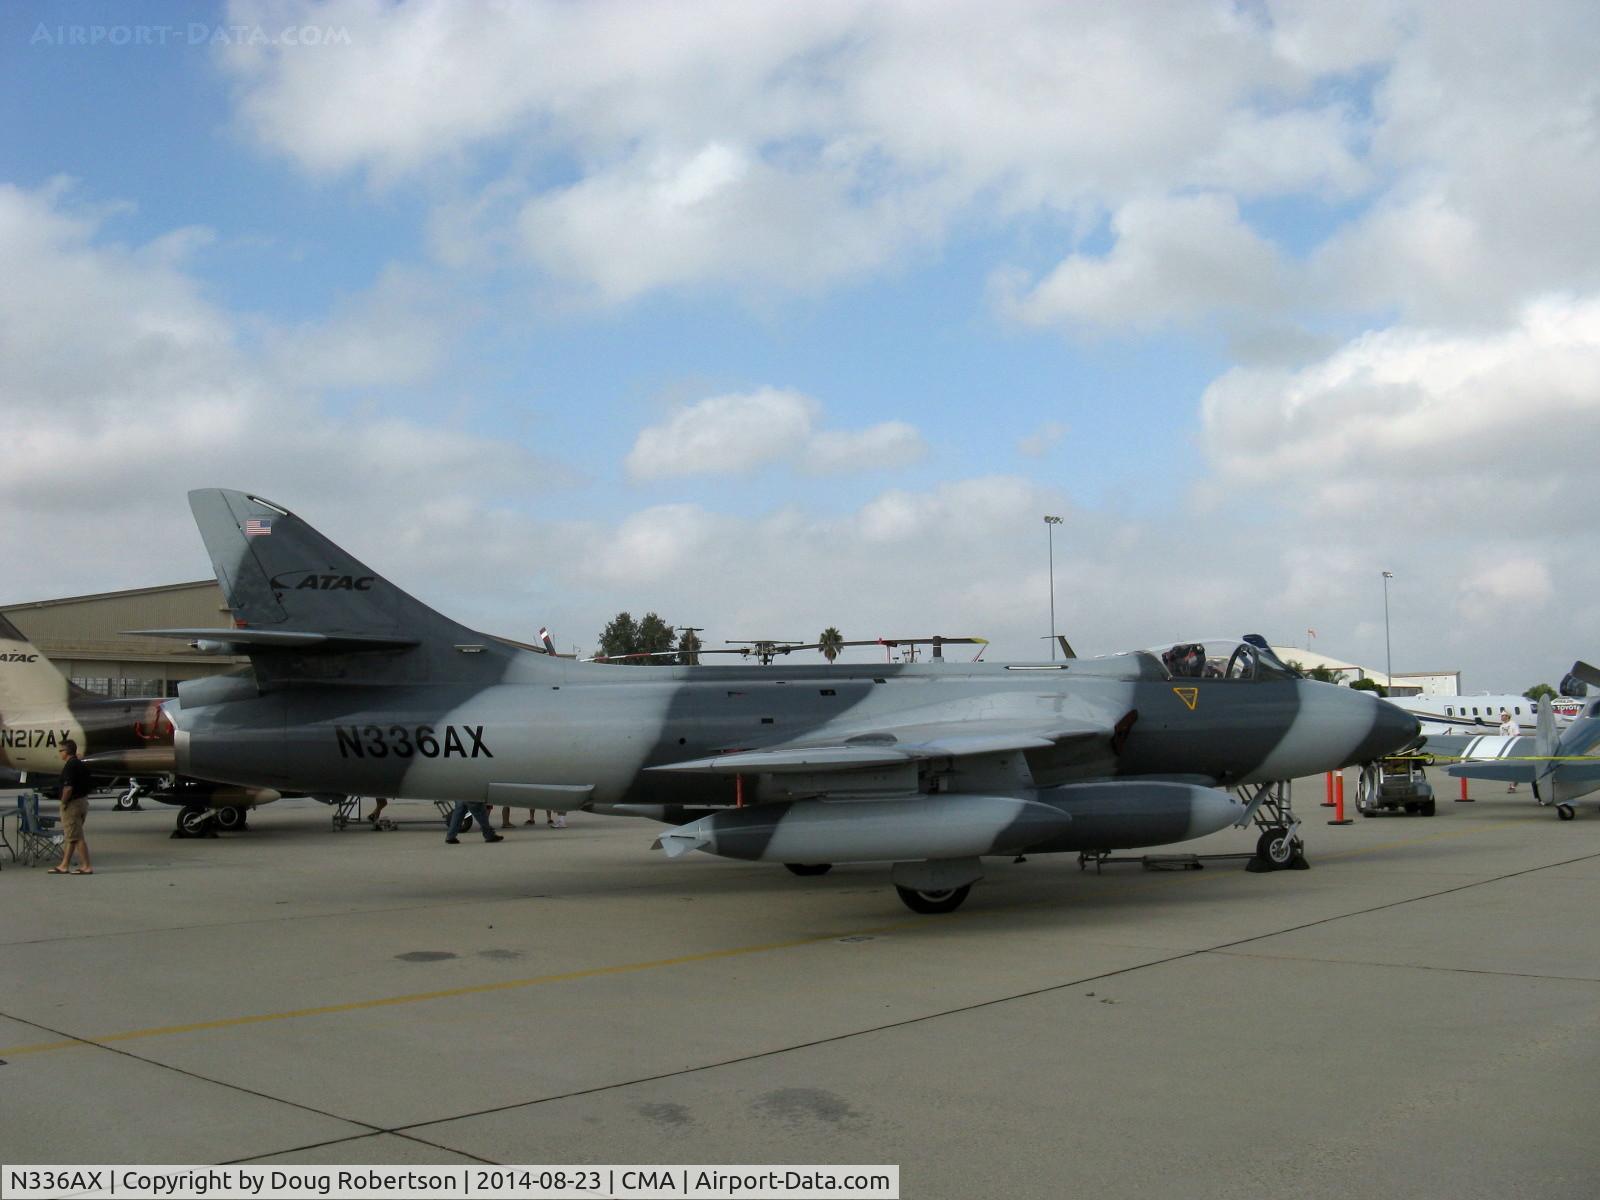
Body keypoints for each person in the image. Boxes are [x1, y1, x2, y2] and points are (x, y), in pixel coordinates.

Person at [51, 739, 95, 875]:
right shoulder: (79, 764)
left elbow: (68, 787)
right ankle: (64, 865)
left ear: (66, 751)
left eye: (61, 750)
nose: (59, 753)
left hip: (72, 804)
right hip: (82, 801)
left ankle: (86, 866)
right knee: (72, 835)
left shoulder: (70, 765)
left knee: (76, 837)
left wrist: (64, 802)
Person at [1499, 709, 1520, 792]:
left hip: (1513, 747)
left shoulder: (1513, 724)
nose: (1501, 717)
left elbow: (1518, 735)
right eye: (1501, 715)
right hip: (1505, 748)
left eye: (1503, 715)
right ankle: (1512, 784)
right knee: (1508, 768)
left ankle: (1513, 786)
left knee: (1514, 767)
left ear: (1507, 716)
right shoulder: (1501, 726)